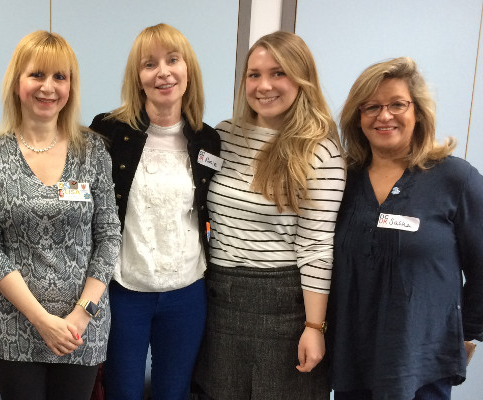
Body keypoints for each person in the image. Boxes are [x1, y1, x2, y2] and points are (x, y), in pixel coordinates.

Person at [194, 31, 345, 399]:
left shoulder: (320, 152)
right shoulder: (224, 135)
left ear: (301, 78)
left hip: (282, 307)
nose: (264, 85)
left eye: (278, 73)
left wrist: (314, 326)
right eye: (254, 74)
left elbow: (316, 247)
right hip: (218, 298)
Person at [0, 30, 121, 400]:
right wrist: (42, 321)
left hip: (80, 327)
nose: (48, 87)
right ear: (17, 82)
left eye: (60, 77)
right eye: (37, 75)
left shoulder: (94, 152)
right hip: (15, 325)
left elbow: (109, 237)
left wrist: (82, 313)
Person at [328, 57, 483, 400]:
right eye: (371, 107)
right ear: (358, 117)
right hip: (353, 359)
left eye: (397, 104)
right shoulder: (340, 180)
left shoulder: (456, 179)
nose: (384, 116)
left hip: (422, 365)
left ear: (418, 112)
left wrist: (466, 333)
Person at [88, 23, 220, 400]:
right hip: (126, 288)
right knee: (123, 391)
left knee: (173, 392)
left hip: (187, 292)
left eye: (172, 60)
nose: (163, 72)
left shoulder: (206, 140)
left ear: (187, 69)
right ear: (138, 78)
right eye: (150, 64)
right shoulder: (109, 132)